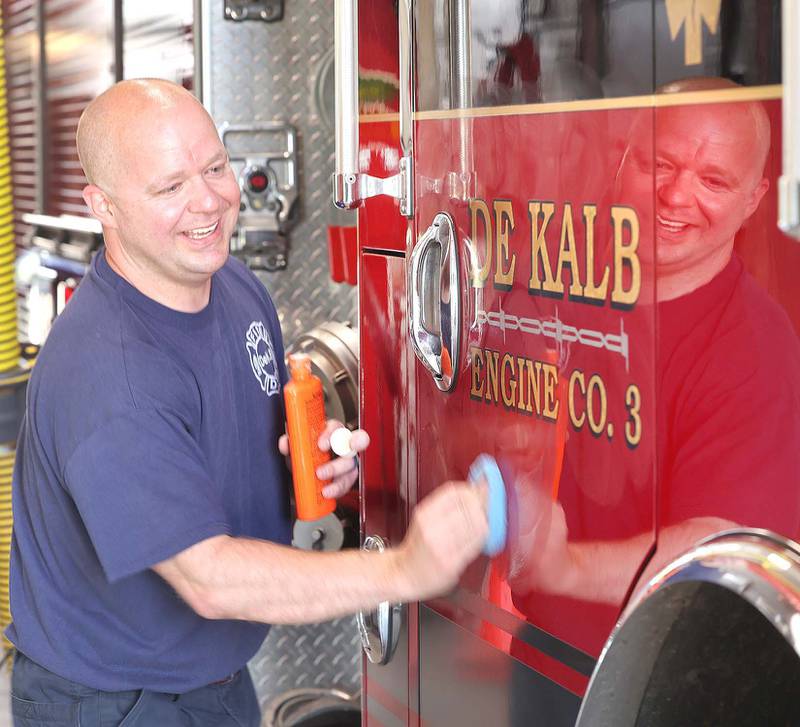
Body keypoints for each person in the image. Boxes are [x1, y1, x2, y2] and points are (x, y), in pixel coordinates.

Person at [6, 79, 489, 726]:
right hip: (113, 703)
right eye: (169, 187)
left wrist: (309, 466)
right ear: (105, 206)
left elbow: (228, 444)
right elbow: (208, 578)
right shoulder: (108, 374)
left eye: (214, 167)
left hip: (217, 681)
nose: (209, 202)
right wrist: (407, 569)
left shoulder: (232, 286)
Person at [507, 77, 800, 607]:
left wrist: (564, 567)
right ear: (622, 161)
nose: (675, 195)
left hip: (640, 673)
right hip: (524, 647)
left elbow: (721, 545)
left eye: (713, 181)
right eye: (658, 164)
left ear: (754, 200)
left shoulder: (756, 349)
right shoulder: (557, 277)